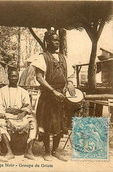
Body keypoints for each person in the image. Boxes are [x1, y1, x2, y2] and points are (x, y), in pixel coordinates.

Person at [31, 30, 75, 161]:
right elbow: (39, 78)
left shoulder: (63, 57)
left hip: (61, 95)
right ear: (48, 42)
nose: (57, 42)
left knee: (60, 124)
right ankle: (47, 151)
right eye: (54, 40)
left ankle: (56, 151)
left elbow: (70, 74)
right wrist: (52, 91)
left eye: (58, 40)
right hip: (48, 96)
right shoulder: (42, 57)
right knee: (47, 123)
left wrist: (71, 83)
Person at [0, 68, 37, 160]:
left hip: (20, 115)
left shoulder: (23, 91)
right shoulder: (1, 91)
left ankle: (29, 151)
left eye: (16, 76)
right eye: (12, 76)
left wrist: (23, 112)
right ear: (8, 77)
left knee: (33, 121)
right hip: (7, 115)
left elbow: (28, 106)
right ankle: (9, 151)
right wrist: (3, 113)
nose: (14, 78)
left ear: (18, 78)